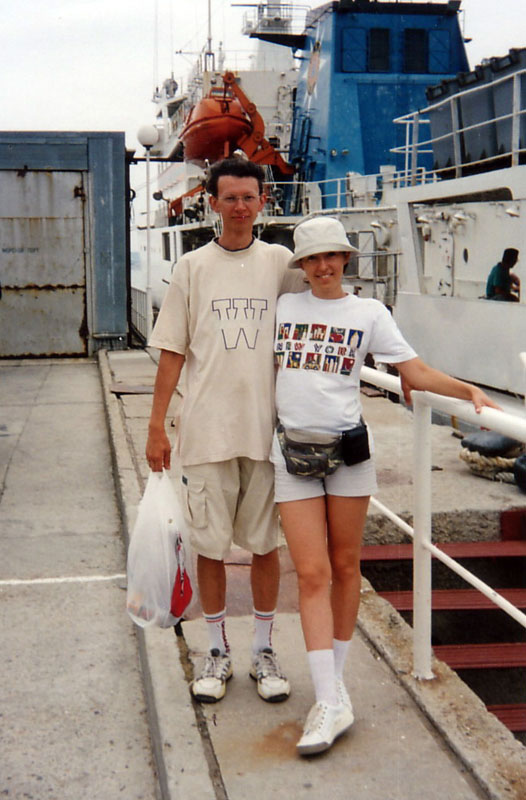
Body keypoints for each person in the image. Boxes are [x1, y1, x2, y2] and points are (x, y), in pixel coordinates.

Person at [271, 216, 501, 756]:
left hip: (348, 455)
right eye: (312, 258)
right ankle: (328, 698)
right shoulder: (284, 307)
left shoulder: (369, 313)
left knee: (346, 565)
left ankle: (334, 691)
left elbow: (413, 372)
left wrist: (466, 389)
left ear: (345, 259)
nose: (323, 266)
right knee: (312, 573)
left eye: (331, 256)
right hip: (292, 454)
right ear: (301, 266)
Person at [146, 157, 303, 705]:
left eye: (248, 197)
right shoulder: (192, 267)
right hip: (206, 432)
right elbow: (172, 350)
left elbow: (321, 311)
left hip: (265, 435)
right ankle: (216, 651)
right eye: (229, 197)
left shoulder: (281, 262)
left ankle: (263, 649)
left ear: (263, 202)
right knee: (209, 548)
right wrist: (157, 426)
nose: (239, 206)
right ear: (211, 203)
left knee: (265, 547)